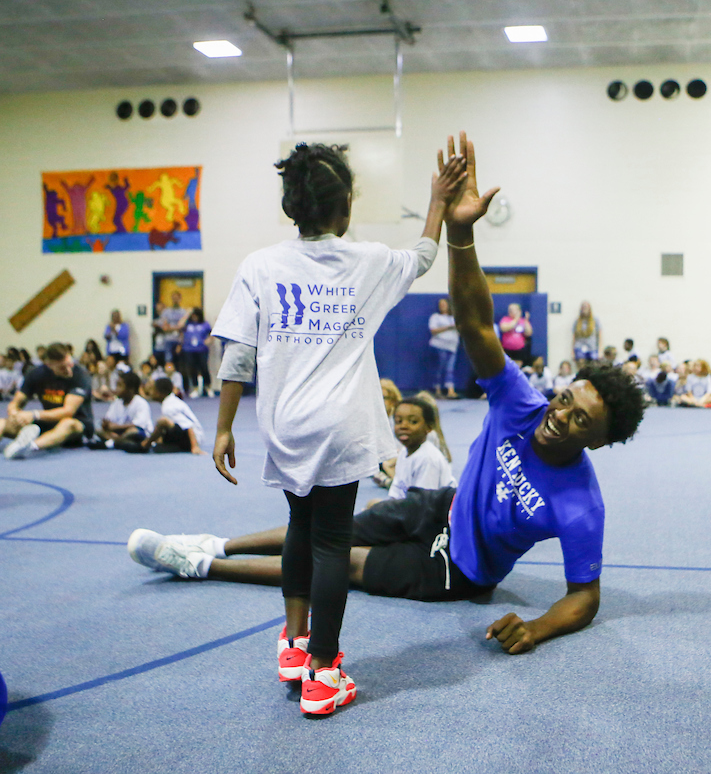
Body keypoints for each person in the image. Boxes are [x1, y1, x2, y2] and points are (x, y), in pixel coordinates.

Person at [129, 132, 646, 670]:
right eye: (563, 399)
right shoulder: (524, 404)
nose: (557, 416)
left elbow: (586, 595)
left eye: (578, 419)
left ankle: (198, 564)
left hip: (458, 567)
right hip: (440, 505)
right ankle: (219, 543)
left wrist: (537, 628)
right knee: (322, 531)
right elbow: (476, 322)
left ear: (600, 440)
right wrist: (459, 231)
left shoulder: (581, 503)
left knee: (341, 559)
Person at [132, 144, 466, 716]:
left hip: (285, 424)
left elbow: (237, 355)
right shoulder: (368, 260)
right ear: (345, 209)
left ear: (294, 207)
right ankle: (323, 672)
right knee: (333, 542)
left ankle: (294, 642)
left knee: (299, 525)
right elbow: (425, 254)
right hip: (341, 425)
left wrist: (223, 428)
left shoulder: (260, 265)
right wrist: (436, 201)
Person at [1, 342, 94, 459]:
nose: (68, 370)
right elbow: (17, 400)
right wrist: (14, 413)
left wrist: (34, 415)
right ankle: (27, 440)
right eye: (62, 367)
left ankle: (30, 446)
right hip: (48, 422)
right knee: (2, 423)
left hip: (77, 425)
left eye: (69, 364)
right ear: (49, 364)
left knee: (68, 423)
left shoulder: (80, 376)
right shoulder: (36, 374)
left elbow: (68, 411)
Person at [367, 396, 457, 507]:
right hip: (412, 509)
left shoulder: (428, 458)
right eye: (398, 421)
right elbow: (396, 495)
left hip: (432, 516)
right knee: (373, 506)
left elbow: (424, 507)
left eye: (413, 422)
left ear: (428, 427)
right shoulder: (404, 453)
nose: (403, 426)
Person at [89, 370, 154, 449]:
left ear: (131, 389)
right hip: (120, 432)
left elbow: (138, 425)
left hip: (139, 432)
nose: (116, 389)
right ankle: (120, 442)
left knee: (132, 432)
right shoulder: (117, 402)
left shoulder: (141, 403)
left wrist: (116, 427)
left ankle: (111, 443)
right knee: (98, 431)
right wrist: (106, 425)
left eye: (120, 386)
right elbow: (109, 420)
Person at [138, 377, 205, 454]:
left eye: (152, 390)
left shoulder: (169, 407)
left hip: (194, 438)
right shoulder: (171, 401)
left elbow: (188, 426)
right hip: (186, 434)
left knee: (162, 422)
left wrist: (195, 447)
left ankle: (147, 444)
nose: (150, 392)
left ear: (158, 393)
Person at [428, 298, 459, 399]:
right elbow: (433, 330)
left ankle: (450, 391)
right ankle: (437, 390)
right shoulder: (436, 317)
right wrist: (448, 327)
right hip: (439, 346)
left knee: (450, 369)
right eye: (440, 304)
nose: (443, 306)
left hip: (452, 347)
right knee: (439, 368)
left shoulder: (454, 317)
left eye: (444, 304)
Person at [180, 307, 213, 397]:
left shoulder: (205, 324)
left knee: (203, 367)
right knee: (192, 368)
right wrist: (187, 314)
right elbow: (180, 325)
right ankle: (195, 387)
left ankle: (208, 387)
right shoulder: (188, 324)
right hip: (189, 349)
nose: (194, 317)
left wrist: (208, 340)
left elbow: (211, 333)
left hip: (201, 349)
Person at [157, 291, 189, 364]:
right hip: (168, 340)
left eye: (176, 298)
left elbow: (183, 327)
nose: (175, 300)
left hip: (180, 340)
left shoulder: (183, 312)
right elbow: (164, 327)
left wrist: (171, 327)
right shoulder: (166, 312)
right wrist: (177, 327)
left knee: (180, 361)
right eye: (173, 298)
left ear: (180, 299)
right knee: (168, 360)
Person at [499, 303, 533, 367]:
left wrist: (526, 321)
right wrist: (516, 319)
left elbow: (529, 333)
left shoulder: (523, 321)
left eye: (513, 310)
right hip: (507, 350)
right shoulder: (505, 319)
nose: (511, 311)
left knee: (517, 368)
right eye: (510, 310)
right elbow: (504, 328)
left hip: (519, 351)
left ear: (519, 311)